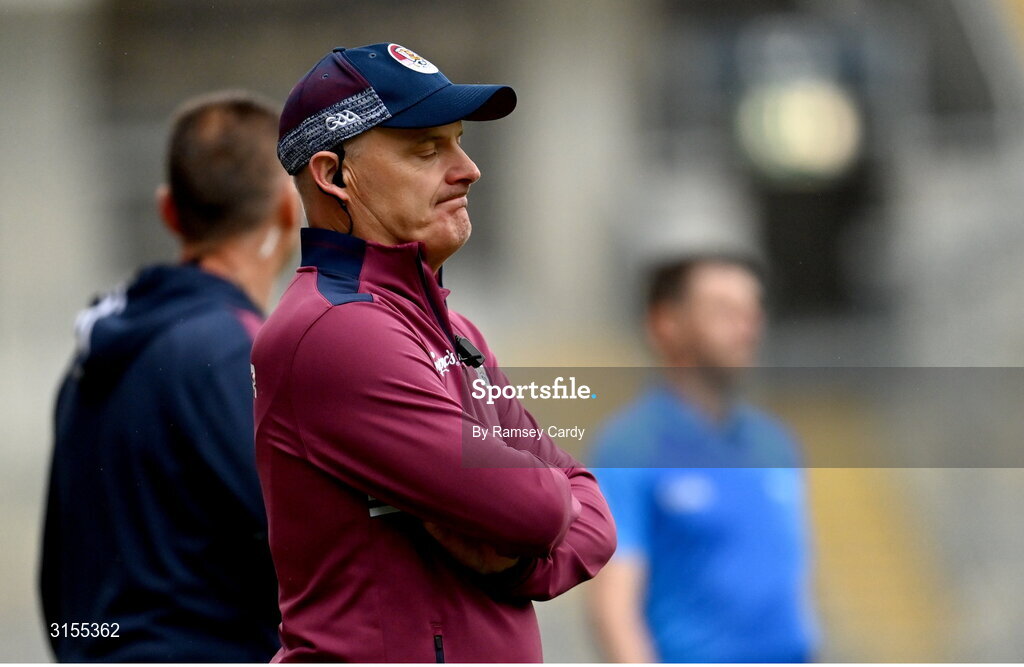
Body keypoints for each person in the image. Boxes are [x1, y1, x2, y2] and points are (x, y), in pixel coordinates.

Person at [251, 43, 617, 662]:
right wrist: (535, 514)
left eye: (458, 141)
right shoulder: (337, 331)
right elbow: (540, 506)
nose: (468, 168)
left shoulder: (454, 329)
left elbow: (592, 514)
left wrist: (509, 566)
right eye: (427, 149)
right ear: (334, 176)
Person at [39, 91, 300, 662]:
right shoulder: (233, 354)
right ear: (289, 208)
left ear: (169, 211)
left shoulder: (93, 355)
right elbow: (308, 542)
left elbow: (60, 578)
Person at [587, 254, 818, 663]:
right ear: (666, 324)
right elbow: (614, 608)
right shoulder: (630, 448)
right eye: (724, 310)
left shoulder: (776, 442)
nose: (748, 327)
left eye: (753, 310)